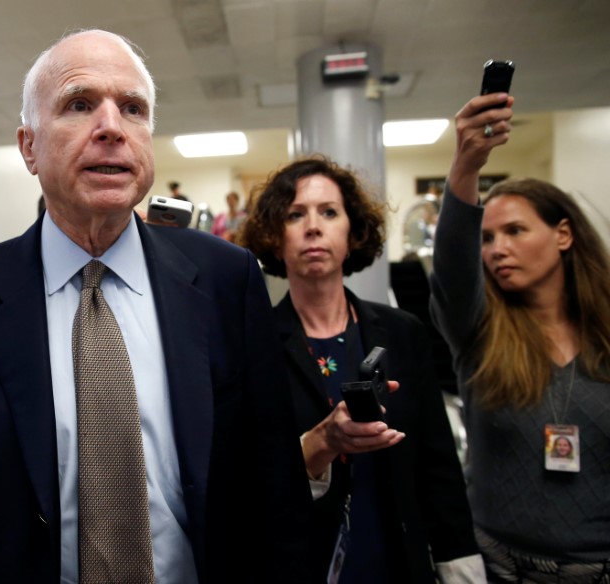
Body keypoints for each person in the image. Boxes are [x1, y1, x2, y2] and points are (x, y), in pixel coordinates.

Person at [0, 30, 312, 584]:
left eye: (132, 109)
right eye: (79, 104)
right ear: (28, 146)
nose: (111, 126)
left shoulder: (227, 282)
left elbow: (276, 489)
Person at [239, 155, 484, 583]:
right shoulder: (251, 344)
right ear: (275, 239)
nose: (313, 226)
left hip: (397, 560)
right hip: (300, 564)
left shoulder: (401, 332)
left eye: (329, 212)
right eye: (295, 215)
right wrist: (321, 443)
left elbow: (438, 465)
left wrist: (460, 565)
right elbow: (250, 479)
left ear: (352, 235)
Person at [429, 92, 610, 581]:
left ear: (564, 235)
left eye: (514, 231)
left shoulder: (605, 338)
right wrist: (466, 164)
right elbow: (452, 268)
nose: (497, 250)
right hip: (498, 567)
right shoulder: (481, 333)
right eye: (487, 238)